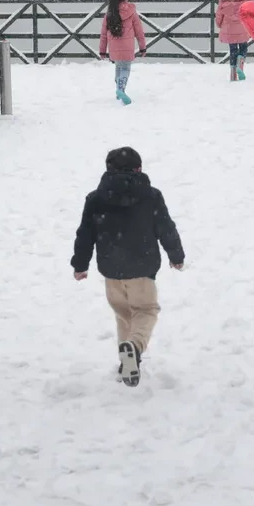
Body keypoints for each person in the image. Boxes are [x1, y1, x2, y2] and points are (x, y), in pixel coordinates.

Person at [71, 146, 185, 387]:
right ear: (139, 168)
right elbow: (166, 228)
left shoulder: (95, 199)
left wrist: (80, 264)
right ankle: (134, 347)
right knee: (145, 311)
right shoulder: (151, 196)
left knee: (124, 316)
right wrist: (176, 255)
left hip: (112, 271)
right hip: (142, 269)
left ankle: (126, 364)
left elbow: (85, 234)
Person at [98, 0, 147, 105]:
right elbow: (139, 32)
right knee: (125, 69)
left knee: (119, 68)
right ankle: (120, 90)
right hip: (127, 48)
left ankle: (119, 93)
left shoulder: (109, 14)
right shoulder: (132, 12)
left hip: (114, 49)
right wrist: (142, 47)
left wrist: (102, 51)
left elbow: (103, 34)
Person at [216, 0, 254, 81]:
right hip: (243, 27)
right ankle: (240, 63)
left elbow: (219, 14)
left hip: (229, 28)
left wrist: (219, 24)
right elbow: (253, 13)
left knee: (232, 49)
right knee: (243, 47)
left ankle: (233, 75)